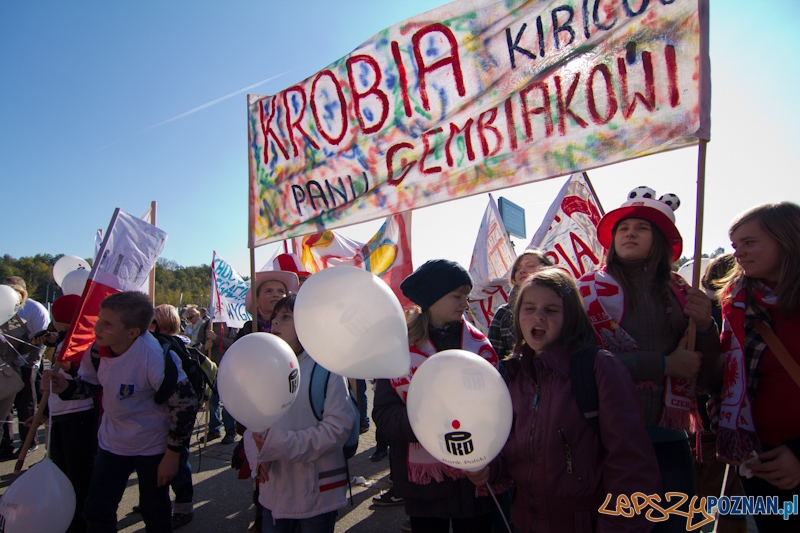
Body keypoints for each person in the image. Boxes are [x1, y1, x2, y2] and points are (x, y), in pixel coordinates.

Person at [467, 268, 659, 532]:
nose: (538, 316)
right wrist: (492, 469)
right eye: (529, 308)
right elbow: (515, 448)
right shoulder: (515, 373)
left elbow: (631, 466)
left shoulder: (600, 368)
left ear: (571, 317)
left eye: (551, 310)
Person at [578, 188, 721, 533]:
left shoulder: (683, 293)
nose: (629, 233)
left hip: (669, 438)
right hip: (605, 438)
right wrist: (663, 365)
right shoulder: (586, 291)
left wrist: (705, 326)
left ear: (660, 241)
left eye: (641, 228)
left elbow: (709, 378)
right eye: (623, 228)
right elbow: (579, 362)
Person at [43, 291, 199, 533]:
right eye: (99, 320)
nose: (98, 328)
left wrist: (172, 455)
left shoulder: (154, 357)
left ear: (133, 332)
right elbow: (91, 386)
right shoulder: (97, 350)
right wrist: (65, 387)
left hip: (152, 447)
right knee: (97, 510)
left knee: (155, 512)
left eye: (108, 324)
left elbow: (185, 405)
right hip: (112, 443)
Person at [373, 259, 501, 533]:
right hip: (426, 488)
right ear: (432, 298)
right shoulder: (399, 350)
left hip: (474, 484)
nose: (465, 303)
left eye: (466, 296)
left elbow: (502, 411)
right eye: (457, 296)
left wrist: (492, 464)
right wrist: (429, 427)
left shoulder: (481, 347)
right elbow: (384, 413)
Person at [714, 202, 800, 531]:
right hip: (760, 461)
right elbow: (725, 379)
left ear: (788, 240)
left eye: (749, 242)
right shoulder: (737, 303)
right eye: (735, 245)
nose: (738, 253)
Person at [249, 295, 356, 533]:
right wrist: (256, 456)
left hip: (317, 493)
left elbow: (337, 429)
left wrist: (280, 444)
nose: (275, 322)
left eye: (286, 317)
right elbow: (252, 422)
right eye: (274, 317)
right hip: (273, 492)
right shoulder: (265, 367)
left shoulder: (327, 370)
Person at [38, 294, 98, 533]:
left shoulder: (80, 343)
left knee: (78, 474)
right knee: (61, 470)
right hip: (59, 414)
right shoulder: (62, 342)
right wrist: (44, 412)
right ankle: (65, 515)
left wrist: (69, 369)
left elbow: (90, 380)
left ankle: (79, 521)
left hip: (78, 415)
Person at [488, 250, 552, 359]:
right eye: (517, 269)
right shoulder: (503, 314)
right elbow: (495, 360)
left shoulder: (563, 304)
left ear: (547, 270)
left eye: (530, 266)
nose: (522, 271)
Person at [0, 283, 37, 459]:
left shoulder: (17, 320)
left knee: (2, 418)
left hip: (8, 375)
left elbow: (21, 348)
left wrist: (33, 343)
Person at [235, 270, 299, 339]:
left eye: (281, 291)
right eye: (269, 291)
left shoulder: (297, 328)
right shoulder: (247, 331)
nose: (276, 294)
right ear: (257, 301)